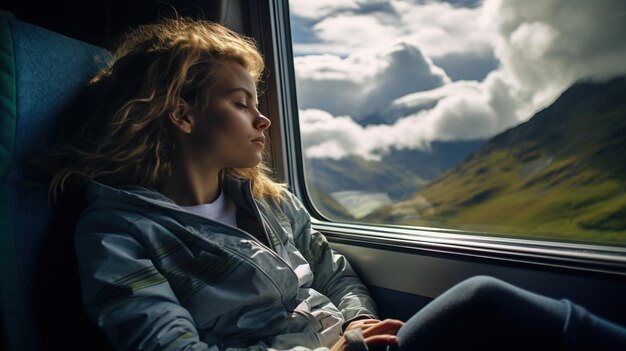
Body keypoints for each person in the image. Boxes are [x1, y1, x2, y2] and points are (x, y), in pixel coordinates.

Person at [46, 17, 626, 351]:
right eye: (241, 103)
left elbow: (335, 272)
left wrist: (351, 323)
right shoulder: (118, 233)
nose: (264, 120)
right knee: (482, 302)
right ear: (183, 114)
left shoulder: (271, 201)